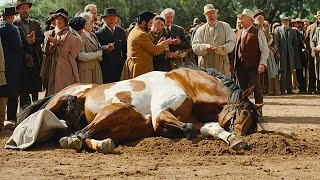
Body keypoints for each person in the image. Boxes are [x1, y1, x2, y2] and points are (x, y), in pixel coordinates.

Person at [0, 6, 31, 130]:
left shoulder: (8, 28)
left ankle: (5, 119)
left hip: (4, 64)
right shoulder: (12, 29)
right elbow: (19, 46)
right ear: (12, 17)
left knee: (5, 91)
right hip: (14, 64)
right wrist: (26, 53)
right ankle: (11, 118)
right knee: (12, 91)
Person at [120, 11, 172, 80]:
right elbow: (155, 51)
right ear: (144, 23)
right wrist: (166, 43)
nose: (151, 26)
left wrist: (159, 44)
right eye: (150, 23)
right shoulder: (141, 34)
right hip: (139, 70)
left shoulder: (136, 30)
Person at [42, 8, 82, 95]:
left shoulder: (71, 35)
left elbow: (75, 52)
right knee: (53, 91)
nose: (58, 21)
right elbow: (46, 51)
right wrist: (49, 41)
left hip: (66, 65)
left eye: (61, 19)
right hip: (53, 65)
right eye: (57, 19)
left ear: (65, 21)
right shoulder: (50, 33)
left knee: (65, 89)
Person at [234, 9, 269, 105]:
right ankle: (244, 110)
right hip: (240, 67)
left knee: (257, 89)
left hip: (253, 67)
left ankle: (259, 111)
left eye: (242, 18)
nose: (240, 20)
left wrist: (262, 63)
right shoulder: (238, 33)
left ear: (250, 20)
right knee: (242, 90)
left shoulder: (258, 32)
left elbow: (265, 50)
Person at [14, 0, 44, 109]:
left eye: (27, 7)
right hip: (21, 59)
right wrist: (25, 41)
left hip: (35, 58)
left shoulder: (35, 23)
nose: (25, 10)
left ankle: (37, 108)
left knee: (35, 85)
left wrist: (35, 40)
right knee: (23, 86)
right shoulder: (14, 23)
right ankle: (24, 110)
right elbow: (13, 43)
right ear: (18, 10)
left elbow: (42, 38)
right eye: (22, 8)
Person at [192, 4, 236, 77]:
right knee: (207, 87)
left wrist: (221, 48)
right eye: (209, 13)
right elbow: (194, 46)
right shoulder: (200, 30)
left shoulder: (225, 26)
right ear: (205, 16)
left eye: (213, 13)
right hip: (205, 66)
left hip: (222, 65)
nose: (212, 15)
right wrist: (205, 47)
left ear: (216, 14)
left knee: (223, 86)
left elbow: (232, 42)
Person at [95, 8, 127, 83]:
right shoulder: (99, 33)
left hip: (119, 66)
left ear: (117, 19)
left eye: (114, 18)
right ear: (104, 19)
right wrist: (106, 48)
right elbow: (96, 49)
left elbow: (125, 49)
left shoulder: (121, 31)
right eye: (109, 19)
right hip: (106, 66)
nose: (112, 21)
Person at [275, 17, 299, 94]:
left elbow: (295, 43)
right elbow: (276, 42)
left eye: (287, 21)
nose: (286, 22)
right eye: (284, 21)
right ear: (281, 22)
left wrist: (294, 53)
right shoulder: (278, 30)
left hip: (290, 54)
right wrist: (277, 52)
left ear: (289, 22)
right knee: (282, 71)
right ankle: (282, 90)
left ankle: (289, 89)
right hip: (281, 53)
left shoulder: (292, 31)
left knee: (289, 71)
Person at [78, 12, 103, 84]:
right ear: (85, 24)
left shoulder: (92, 35)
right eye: (92, 22)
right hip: (86, 70)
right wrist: (97, 55)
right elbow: (80, 55)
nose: (93, 24)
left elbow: (98, 48)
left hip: (96, 68)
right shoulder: (80, 36)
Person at [305, 11, 320, 94]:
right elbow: (307, 39)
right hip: (312, 51)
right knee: (312, 70)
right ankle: (311, 88)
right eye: (318, 17)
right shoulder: (311, 27)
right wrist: (310, 49)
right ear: (316, 18)